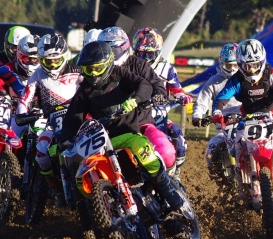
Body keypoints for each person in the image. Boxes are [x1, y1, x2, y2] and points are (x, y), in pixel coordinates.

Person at [58, 41, 193, 216]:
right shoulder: (84, 91)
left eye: (97, 68)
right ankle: (104, 209)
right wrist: (65, 140)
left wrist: (135, 100)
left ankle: (169, 192)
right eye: (88, 69)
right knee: (85, 171)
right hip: (104, 141)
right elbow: (73, 118)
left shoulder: (119, 74)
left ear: (108, 64)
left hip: (128, 132)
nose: (93, 73)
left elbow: (144, 85)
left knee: (145, 152)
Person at [214, 38, 273, 201]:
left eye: (255, 65)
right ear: (240, 64)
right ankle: (241, 187)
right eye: (247, 66)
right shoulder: (237, 80)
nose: (251, 69)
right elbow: (221, 98)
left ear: (262, 61)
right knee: (237, 145)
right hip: (246, 119)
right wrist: (217, 112)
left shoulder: (272, 75)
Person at [98, 26, 177, 172]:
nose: (108, 55)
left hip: (141, 122)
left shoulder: (138, 64)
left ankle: (169, 182)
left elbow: (156, 83)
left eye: (112, 51)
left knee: (166, 152)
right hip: (108, 128)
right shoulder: (94, 71)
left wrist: (159, 94)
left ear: (123, 48)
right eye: (104, 51)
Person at [17, 33, 82, 203]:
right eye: (48, 61)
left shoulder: (78, 70)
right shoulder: (37, 75)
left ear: (64, 56)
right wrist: (22, 115)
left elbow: (92, 90)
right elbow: (24, 99)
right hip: (51, 123)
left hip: (78, 119)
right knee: (41, 152)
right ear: (41, 60)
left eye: (56, 60)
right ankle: (55, 188)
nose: (53, 65)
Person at [132, 26, 192, 172]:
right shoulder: (130, 67)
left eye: (149, 54)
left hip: (160, 115)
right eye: (141, 54)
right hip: (136, 115)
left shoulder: (167, 68)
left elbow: (176, 88)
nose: (145, 59)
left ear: (158, 52)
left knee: (178, 138)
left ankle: (175, 173)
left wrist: (183, 97)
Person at [191, 43, 243, 179]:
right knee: (211, 152)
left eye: (235, 65)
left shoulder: (245, 79)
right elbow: (202, 101)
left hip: (245, 125)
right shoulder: (214, 81)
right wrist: (197, 116)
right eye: (228, 66)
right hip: (223, 128)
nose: (232, 69)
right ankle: (221, 180)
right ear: (221, 64)